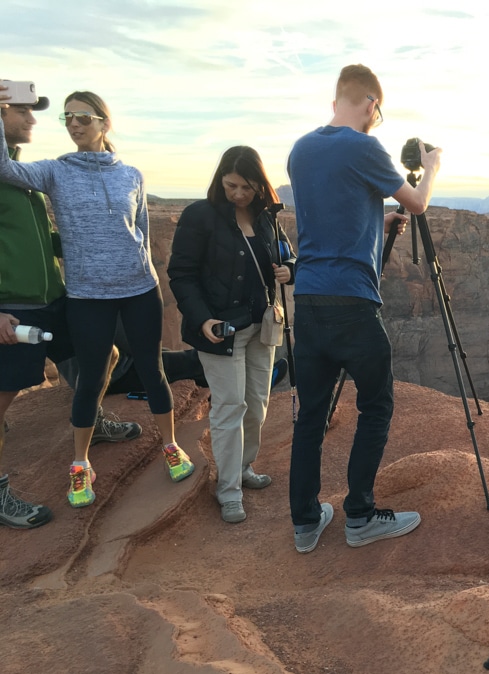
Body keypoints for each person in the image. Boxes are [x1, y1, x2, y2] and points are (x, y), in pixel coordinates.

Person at [0, 90, 195, 510]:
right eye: (67, 118)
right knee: (90, 378)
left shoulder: (132, 176)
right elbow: (4, 167)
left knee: (152, 370)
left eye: (83, 117)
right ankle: (80, 463)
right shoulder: (55, 172)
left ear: (104, 124)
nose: (73, 124)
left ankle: (171, 446)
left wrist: (142, 272)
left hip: (139, 290)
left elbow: (140, 230)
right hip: (88, 296)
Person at [286, 64, 442, 554]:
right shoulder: (364, 146)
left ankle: (306, 522)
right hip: (352, 303)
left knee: (311, 415)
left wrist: (379, 218)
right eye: (379, 109)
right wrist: (432, 165)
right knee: (375, 406)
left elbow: (338, 208)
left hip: (308, 300)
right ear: (371, 104)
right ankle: (360, 515)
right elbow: (417, 203)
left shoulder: (302, 148)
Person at [0, 84, 140, 530]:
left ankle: (92, 421)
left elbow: (36, 243)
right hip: (14, 306)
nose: (33, 120)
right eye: (21, 111)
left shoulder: (22, 174)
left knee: (103, 356)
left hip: (52, 297)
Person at [168, 146, 296, 524]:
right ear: (219, 179)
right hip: (220, 331)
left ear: (260, 186)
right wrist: (203, 318)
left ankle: (242, 468)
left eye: (247, 187)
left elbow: (287, 255)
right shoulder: (200, 216)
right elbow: (182, 274)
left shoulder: (268, 217)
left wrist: (290, 267)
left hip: (263, 325)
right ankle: (228, 491)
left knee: (256, 404)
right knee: (229, 408)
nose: (239, 194)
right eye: (231, 185)